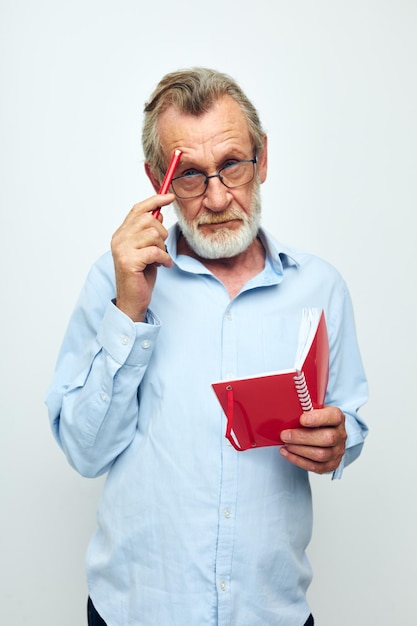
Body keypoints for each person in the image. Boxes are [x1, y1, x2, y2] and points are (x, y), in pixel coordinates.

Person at [46, 67, 368, 626]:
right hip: (136, 611)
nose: (217, 197)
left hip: (271, 613)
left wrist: (340, 441)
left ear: (262, 159)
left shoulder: (322, 287)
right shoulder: (116, 281)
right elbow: (84, 450)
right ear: (157, 180)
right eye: (190, 175)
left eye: (232, 166)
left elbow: (349, 419)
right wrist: (130, 309)